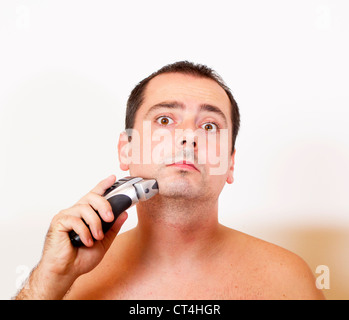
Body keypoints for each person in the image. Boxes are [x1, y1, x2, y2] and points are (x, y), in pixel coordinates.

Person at [15, 61, 325, 300]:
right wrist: (48, 280)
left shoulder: (289, 280)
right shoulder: (67, 282)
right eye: (165, 120)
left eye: (209, 126)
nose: (188, 136)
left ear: (230, 163)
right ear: (127, 150)